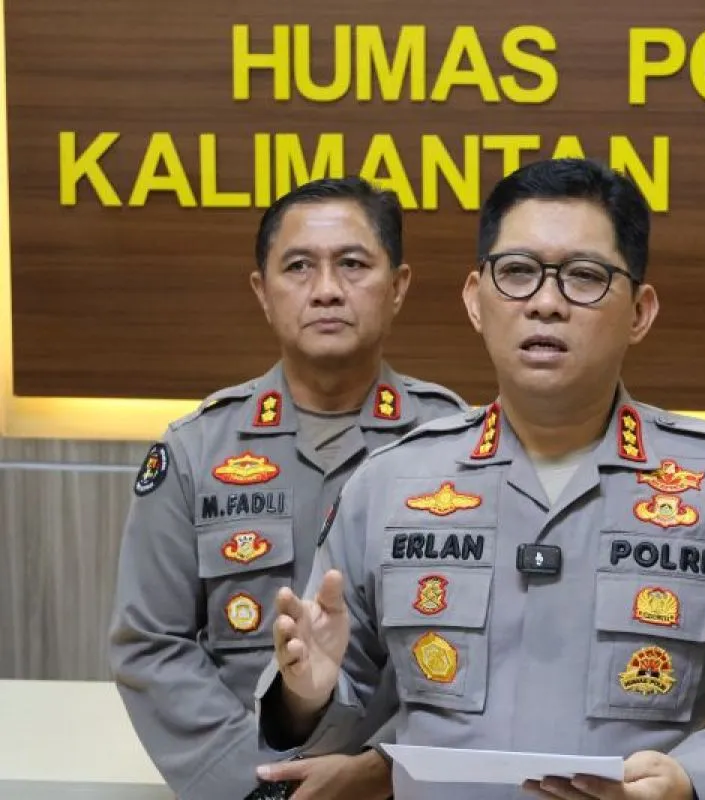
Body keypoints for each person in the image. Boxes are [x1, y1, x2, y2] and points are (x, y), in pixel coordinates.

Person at [252, 158, 705, 800]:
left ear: (640, 311)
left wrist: (695, 778)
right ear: (475, 300)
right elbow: (337, 693)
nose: (545, 302)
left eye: (584, 277)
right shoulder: (391, 483)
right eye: (517, 273)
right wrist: (305, 695)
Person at [109, 176, 468, 800]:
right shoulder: (197, 449)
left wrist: (380, 774)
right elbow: (151, 644)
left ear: (398, 286)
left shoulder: (457, 448)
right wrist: (262, 785)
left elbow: (488, 653)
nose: (326, 289)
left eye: (353, 264)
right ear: (263, 292)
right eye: (299, 266)